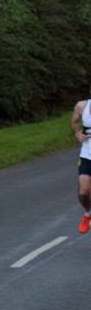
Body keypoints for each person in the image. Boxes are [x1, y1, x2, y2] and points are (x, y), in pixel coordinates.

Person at [70, 87, 91, 233]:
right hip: (87, 154)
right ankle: (87, 214)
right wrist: (77, 133)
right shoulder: (81, 106)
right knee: (84, 191)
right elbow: (74, 123)